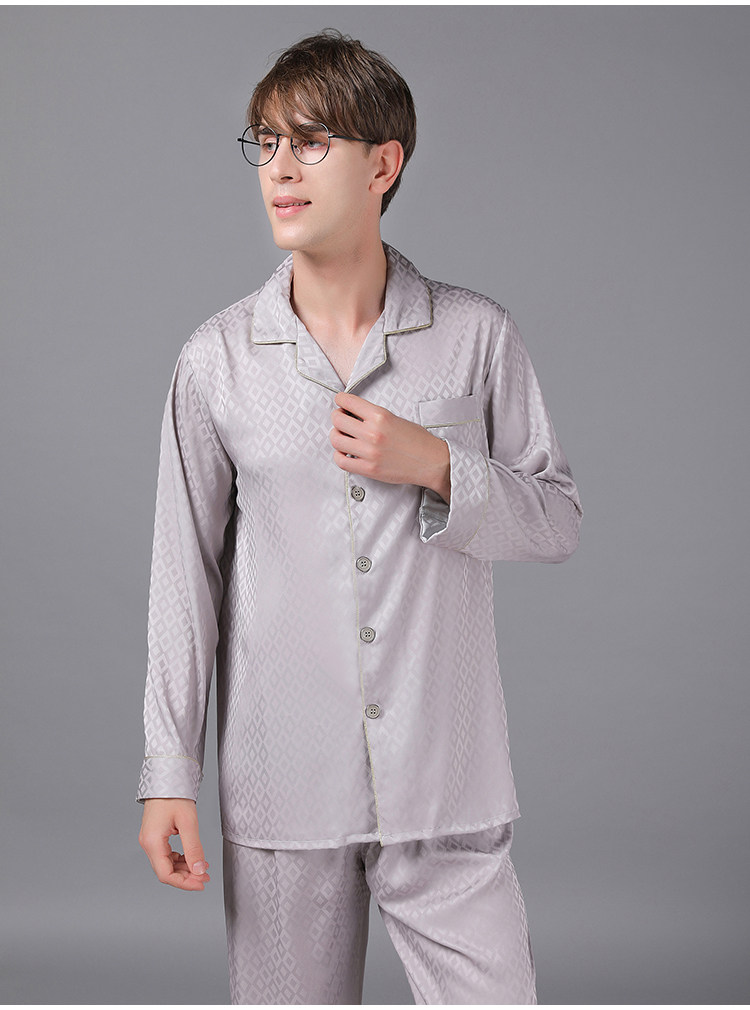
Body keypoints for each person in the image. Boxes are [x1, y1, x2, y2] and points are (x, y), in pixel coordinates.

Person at [136, 29, 582, 1006]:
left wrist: (437, 465)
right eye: (266, 142)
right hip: (282, 790)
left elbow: (556, 518)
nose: (280, 168)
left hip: (448, 785)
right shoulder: (216, 361)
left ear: (383, 165)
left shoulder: (475, 335)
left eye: (311, 142)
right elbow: (184, 576)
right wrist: (168, 770)